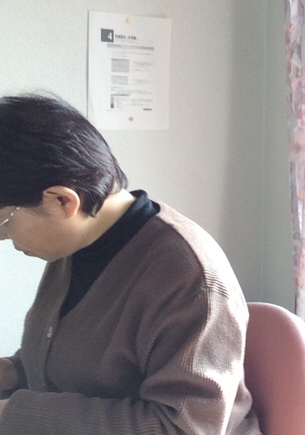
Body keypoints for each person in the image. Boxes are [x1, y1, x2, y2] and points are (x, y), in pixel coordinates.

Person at [0, 94, 262, 434]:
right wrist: (12, 371)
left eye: (4, 221)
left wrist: (12, 413)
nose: (2, 237)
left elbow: (181, 427)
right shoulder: (77, 244)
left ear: (62, 200)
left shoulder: (187, 276)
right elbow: (76, 361)